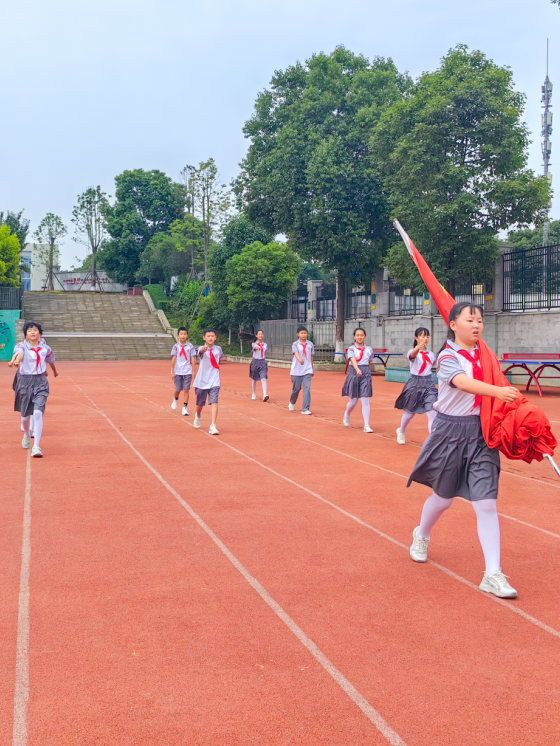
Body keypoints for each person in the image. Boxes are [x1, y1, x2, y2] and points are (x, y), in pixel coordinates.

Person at [408, 303, 520, 598]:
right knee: (443, 499)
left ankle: (492, 573)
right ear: (453, 324)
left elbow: (498, 384)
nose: (476, 325)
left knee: (486, 503)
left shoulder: (486, 355)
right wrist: (498, 392)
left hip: (481, 433)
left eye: (480, 320)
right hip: (450, 433)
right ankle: (421, 534)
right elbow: (461, 382)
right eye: (470, 319)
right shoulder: (447, 356)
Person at [9, 321, 58, 458]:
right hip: (25, 382)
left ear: (40, 333)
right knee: (25, 417)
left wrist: (54, 371)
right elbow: (20, 354)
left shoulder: (45, 348)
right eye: (29, 330)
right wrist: (16, 361)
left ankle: (36, 446)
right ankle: (26, 434)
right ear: (26, 334)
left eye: (35, 330)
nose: (32, 332)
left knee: (37, 413)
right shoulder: (21, 346)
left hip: (41, 381)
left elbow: (51, 360)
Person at [395, 327, 438, 444]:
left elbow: (431, 366)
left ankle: (432, 442)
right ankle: (401, 431)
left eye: (427, 336)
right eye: (422, 336)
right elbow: (412, 356)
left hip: (429, 383)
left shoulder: (432, 354)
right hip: (415, 383)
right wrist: (417, 349)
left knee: (432, 412)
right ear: (416, 338)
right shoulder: (412, 352)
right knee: (410, 412)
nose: (425, 339)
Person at [342, 328, 375, 433]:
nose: (360, 337)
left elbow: (369, 362)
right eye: (357, 335)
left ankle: (366, 425)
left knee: (365, 399)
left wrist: (367, 373)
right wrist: (357, 370)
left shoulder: (369, 349)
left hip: (365, 373)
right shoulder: (351, 349)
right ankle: (347, 414)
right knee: (354, 401)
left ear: (364, 336)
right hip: (354, 372)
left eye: (362, 335)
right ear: (354, 337)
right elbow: (353, 360)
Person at [193, 329, 223, 435]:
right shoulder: (202, 348)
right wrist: (203, 350)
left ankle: (213, 425)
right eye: (208, 336)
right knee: (199, 404)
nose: (210, 338)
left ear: (215, 338)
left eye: (212, 336)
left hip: (214, 380)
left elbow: (220, 357)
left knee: (214, 401)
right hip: (202, 380)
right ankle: (198, 415)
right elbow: (200, 352)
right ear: (204, 338)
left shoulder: (218, 349)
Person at [288, 325, 314, 415]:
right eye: (302, 333)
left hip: (307, 369)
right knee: (297, 388)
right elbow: (296, 353)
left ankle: (305, 408)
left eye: (305, 333)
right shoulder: (295, 344)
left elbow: (311, 356)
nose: (304, 335)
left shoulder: (310, 344)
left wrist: (312, 368)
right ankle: (292, 401)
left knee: (307, 388)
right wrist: (299, 360)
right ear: (298, 334)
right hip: (296, 370)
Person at [170, 327, 196, 416]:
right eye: (181, 334)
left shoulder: (190, 346)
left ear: (187, 335)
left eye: (185, 334)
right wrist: (173, 371)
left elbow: (193, 358)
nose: (183, 336)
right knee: (178, 389)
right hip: (178, 371)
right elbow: (173, 358)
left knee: (186, 389)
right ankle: (175, 398)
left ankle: (185, 408)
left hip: (187, 370)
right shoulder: (176, 346)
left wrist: (193, 371)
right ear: (178, 336)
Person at [250, 330, 269, 402]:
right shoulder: (254, 344)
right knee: (254, 378)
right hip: (255, 361)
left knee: (263, 378)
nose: (261, 335)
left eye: (262, 334)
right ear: (256, 336)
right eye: (259, 334)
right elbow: (255, 347)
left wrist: (260, 347)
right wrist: (257, 347)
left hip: (262, 361)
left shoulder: (265, 344)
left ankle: (265, 394)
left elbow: (264, 350)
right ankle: (254, 393)